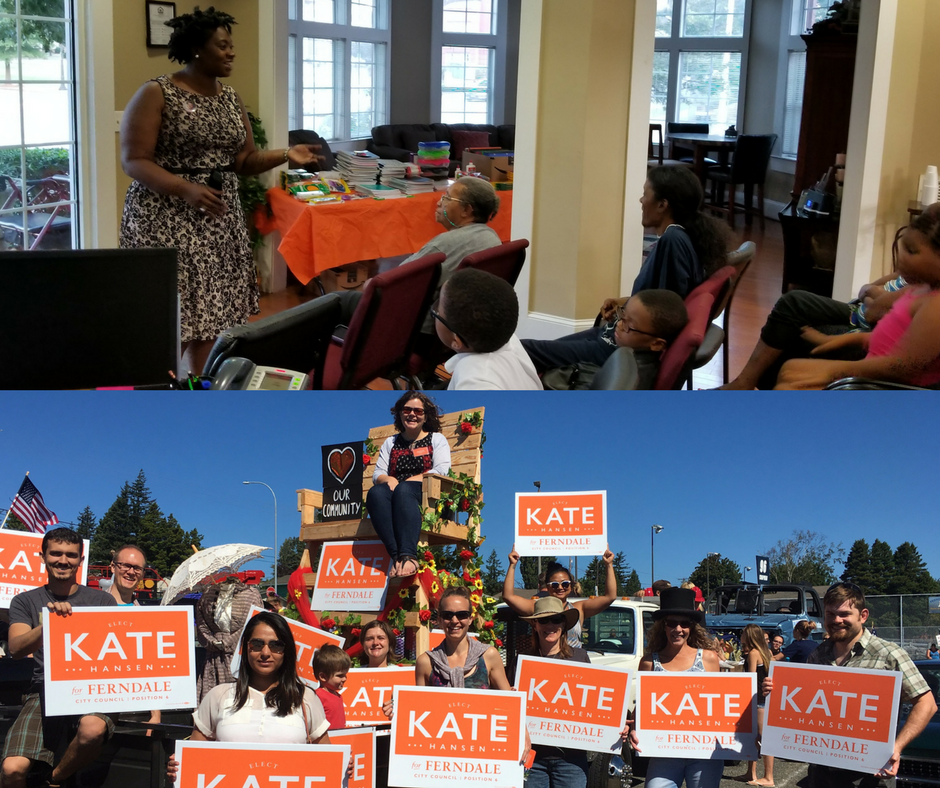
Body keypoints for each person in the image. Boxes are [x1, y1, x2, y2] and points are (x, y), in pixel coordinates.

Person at [119, 6, 324, 373]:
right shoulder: (157, 92)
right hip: (165, 218)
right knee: (174, 310)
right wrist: (185, 189)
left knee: (211, 311)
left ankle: (196, 384)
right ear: (197, 49)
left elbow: (243, 160)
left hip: (216, 218)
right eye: (222, 45)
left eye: (231, 45)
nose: (231, 52)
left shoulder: (230, 98)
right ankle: (158, 388)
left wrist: (284, 154)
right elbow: (134, 159)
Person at [519, 165, 726, 373]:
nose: (641, 200)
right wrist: (626, 303)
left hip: (618, 348)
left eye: (645, 194)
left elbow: (666, 312)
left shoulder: (673, 239)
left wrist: (628, 314)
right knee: (527, 350)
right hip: (612, 335)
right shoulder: (683, 236)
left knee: (522, 351)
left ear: (663, 204)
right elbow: (660, 300)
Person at [763, 583, 936, 787]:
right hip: (820, 772)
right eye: (830, 614)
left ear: (863, 616)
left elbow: (926, 703)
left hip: (869, 774)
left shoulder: (889, 654)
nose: (837, 620)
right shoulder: (817, 655)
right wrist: (776, 691)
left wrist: (896, 748)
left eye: (844, 614)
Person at [774, 204, 940, 389]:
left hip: (887, 389)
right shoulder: (919, 290)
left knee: (790, 384)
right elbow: (886, 336)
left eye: (911, 251)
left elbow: (901, 368)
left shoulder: (936, 307)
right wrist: (830, 340)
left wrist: (833, 371)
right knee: (790, 369)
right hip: (874, 378)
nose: (901, 255)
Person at [1, 528, 118, 788]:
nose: (63, 560)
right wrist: (50, 626)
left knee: (91, 730)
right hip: (44, 688)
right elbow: (16, 648)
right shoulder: (24, 600)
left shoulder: (102, 600)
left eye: (70, 555)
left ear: (80, 559)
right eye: (55, 553)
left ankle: (53, 780)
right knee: (11, 769)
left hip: (93, 688)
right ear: (42, 556)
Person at [720, 273, 909, 389]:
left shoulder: (929, 289)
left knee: (792, 346)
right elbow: (867, 290)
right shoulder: (910, 274)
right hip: (857, 311)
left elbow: (874, 312)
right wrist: (872, 293)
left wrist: (872, 294)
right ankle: (743, 383)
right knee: (793, 301)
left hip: (869, 328)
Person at [628, 587, 724, 788]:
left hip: (703, 752)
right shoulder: (648, 662)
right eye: (671, 623)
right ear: (663, 626)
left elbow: (721, 704)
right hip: (664, 751)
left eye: (684, 623)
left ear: (691, 627)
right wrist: (632, 726)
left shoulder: (708, 659)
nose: (678, 629)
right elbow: (645, 705)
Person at [523, 288, 688, 385]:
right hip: (603, 337)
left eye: (628, 325)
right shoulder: (624, 333)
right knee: (537, 354)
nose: (618, 324)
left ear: (657, 344)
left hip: (604, 350)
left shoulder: (627, 365)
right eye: (621, 315)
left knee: (528, 350)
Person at [367, 392, 451, 579]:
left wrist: (412, 480)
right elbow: (378, 473)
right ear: (400, 413)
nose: (412, 414)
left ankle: (408, 555)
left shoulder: (436, 439)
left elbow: (442, 470)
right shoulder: (391, 442)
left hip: (428, 496)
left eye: (418, 411)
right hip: (396, 493)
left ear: (425, 415)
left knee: (404, 490)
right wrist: (387, 480)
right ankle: (398, 557)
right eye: (407, 410)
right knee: (376, 494)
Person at [516, 597, 591, 788]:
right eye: (543, 620)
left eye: (556, 620)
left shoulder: (580, 657)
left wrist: (615, 724)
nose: (550, 625)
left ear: (563, 625)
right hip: (532, 756)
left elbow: (593, 702)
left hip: (571, 758)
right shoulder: (521, 662)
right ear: (534, 624)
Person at [432, 267, 541, 390]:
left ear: (456, 341)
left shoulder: (474, 381)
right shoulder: (509, 340)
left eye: (437, 312)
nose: (435, 311)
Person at [503, 551, 618, 649]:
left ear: (571, 586)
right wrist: (512, 565)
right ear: (547, 587)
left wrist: (608, 564)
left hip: (573, 664)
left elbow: (610, 597)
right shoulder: (537, 607)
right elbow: (508, 596)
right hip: (546, 664)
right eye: (554, 584)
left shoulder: (579, 608)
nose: (560, 588)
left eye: (565, 584)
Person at [106, 545, 162, 730]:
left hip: (133, 703)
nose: (131, 572)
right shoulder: (90, 609)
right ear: (112, 567)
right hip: (97, 702)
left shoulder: (147, 618)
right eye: (125, 566)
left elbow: (151, 666)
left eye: (137, 568)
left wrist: (155, 714)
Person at [195, 575, 263, 700]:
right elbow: (201, 626)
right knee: (216, 698)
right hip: (214, 657)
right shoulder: (207, 595)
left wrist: (226, 642)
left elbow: (255, 624)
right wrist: (213, 642)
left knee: (241, 696)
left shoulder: (250, 594)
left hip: (240, 654)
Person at [740, 624, 774, 788]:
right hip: (765, 698)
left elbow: (750, 679)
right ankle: (751, 772)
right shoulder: (767, 652)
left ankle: (769, 777)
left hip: (758, 699)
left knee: (763, 737)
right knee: (756, 736)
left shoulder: (753, 653)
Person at [313, 644, 351, 730]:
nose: (344, 679)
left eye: (345, 675)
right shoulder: (317, 697)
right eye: (340, 676)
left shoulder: (337, 696)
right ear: (323, 676)